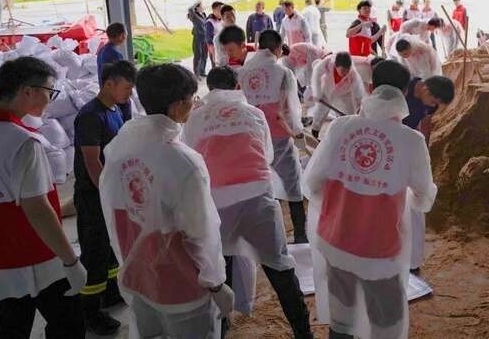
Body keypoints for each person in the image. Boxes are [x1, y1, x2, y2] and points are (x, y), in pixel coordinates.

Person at [303, 60, 436, 339]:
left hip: (335, 240)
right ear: (404, 93)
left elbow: (312, 183)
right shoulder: (411, 140)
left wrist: (345, 197)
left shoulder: (340, 127)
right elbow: (424, 197)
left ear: (372, 87)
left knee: (342, 318)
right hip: (379, 250)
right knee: (386, 322)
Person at [99, 64, 234, 338]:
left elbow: (114, 211)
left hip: (138, 275)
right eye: (192, 99)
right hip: (181, 286)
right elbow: (201, 232)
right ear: (178, 105)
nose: (194, 104)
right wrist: (217, 283)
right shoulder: (183, 161)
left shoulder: (120, 147)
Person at [182, 67, 313, 339]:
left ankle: (222, 328)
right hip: (258, 197)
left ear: (210, 89)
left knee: (220, 266)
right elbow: (266, 155)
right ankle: (303, 333)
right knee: (280, 268)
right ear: (237, 86)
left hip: (216, 202)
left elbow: (192, 157)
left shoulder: (195, 117)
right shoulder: (254, 113)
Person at [0, 57, 86, 338]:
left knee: (12, 325)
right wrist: (70, 261)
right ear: (28, 91)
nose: (50, 99)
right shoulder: (23, 142)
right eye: (49, 91)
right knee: (68, 324)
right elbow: (38, 209)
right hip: (36, 255)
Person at [73, 60, 136, 335]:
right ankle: (90, 312)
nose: (129, 93)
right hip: (93, 196)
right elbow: (92, 161)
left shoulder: (117, 109)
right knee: (95, 253)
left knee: (110, 249)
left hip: (110, 192)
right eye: (126, 87)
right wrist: (107, 194)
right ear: (109, 84)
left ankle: (110, 293)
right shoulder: (91, 115)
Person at [238, 30, 309, 244]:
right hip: (277, 133)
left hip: (250, 134)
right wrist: (297, 132)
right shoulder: (282, 72)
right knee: (292, 183)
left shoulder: (243, 71)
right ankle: (300, 233)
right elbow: (290, 109)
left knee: (258, 182)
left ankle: (260, 236)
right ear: (278, 48)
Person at [402, 75, 455, 275]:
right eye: (434, 102)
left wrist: (424, 151)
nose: (434, 106)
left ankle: (412, 260)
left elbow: (425, 124)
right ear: (425, 89)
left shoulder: (429, 103)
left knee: (414, 201)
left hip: (408, 145)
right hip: (391, 145)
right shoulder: (403, 89)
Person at [310, 52, 366, 139]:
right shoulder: (327, 62)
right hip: (327, 88)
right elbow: (316, 74)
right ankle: (315, 132)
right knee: (320, 111)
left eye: (347, 71)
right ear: (335, 66)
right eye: (343, 71)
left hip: (344, 92)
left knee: (348, 113)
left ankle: (347, 133)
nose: (345, 73)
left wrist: (359, 107)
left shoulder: (353, 73)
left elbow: (358, 92)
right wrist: (317, 93)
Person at [97, 22, 133, 122]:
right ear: (121, 35)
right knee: (126, 110)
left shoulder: (102, 50)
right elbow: (123, 77)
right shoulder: (115, 54)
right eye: (125, 33)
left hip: (105, 89)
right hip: (115, 92)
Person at [188, 1, 208, 78]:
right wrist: (196, 3)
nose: (203, 7)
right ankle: (197, 73)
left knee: (204, 55)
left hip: (205, 38)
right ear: (197, 8)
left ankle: (202, 71)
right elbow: (190, 9)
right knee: (198, 55)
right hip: (198, 38)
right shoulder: (194, 16)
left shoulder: (204, 15)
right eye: (201, 6)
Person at [205, 1, 224, 69]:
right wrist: (213, 54)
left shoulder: (222, 20)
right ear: (214, 10)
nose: (222, 12)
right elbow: (208, 40)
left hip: (223, 50)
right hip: (215, 50)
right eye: (219, 10)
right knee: (216, 70)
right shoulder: (209, 22)